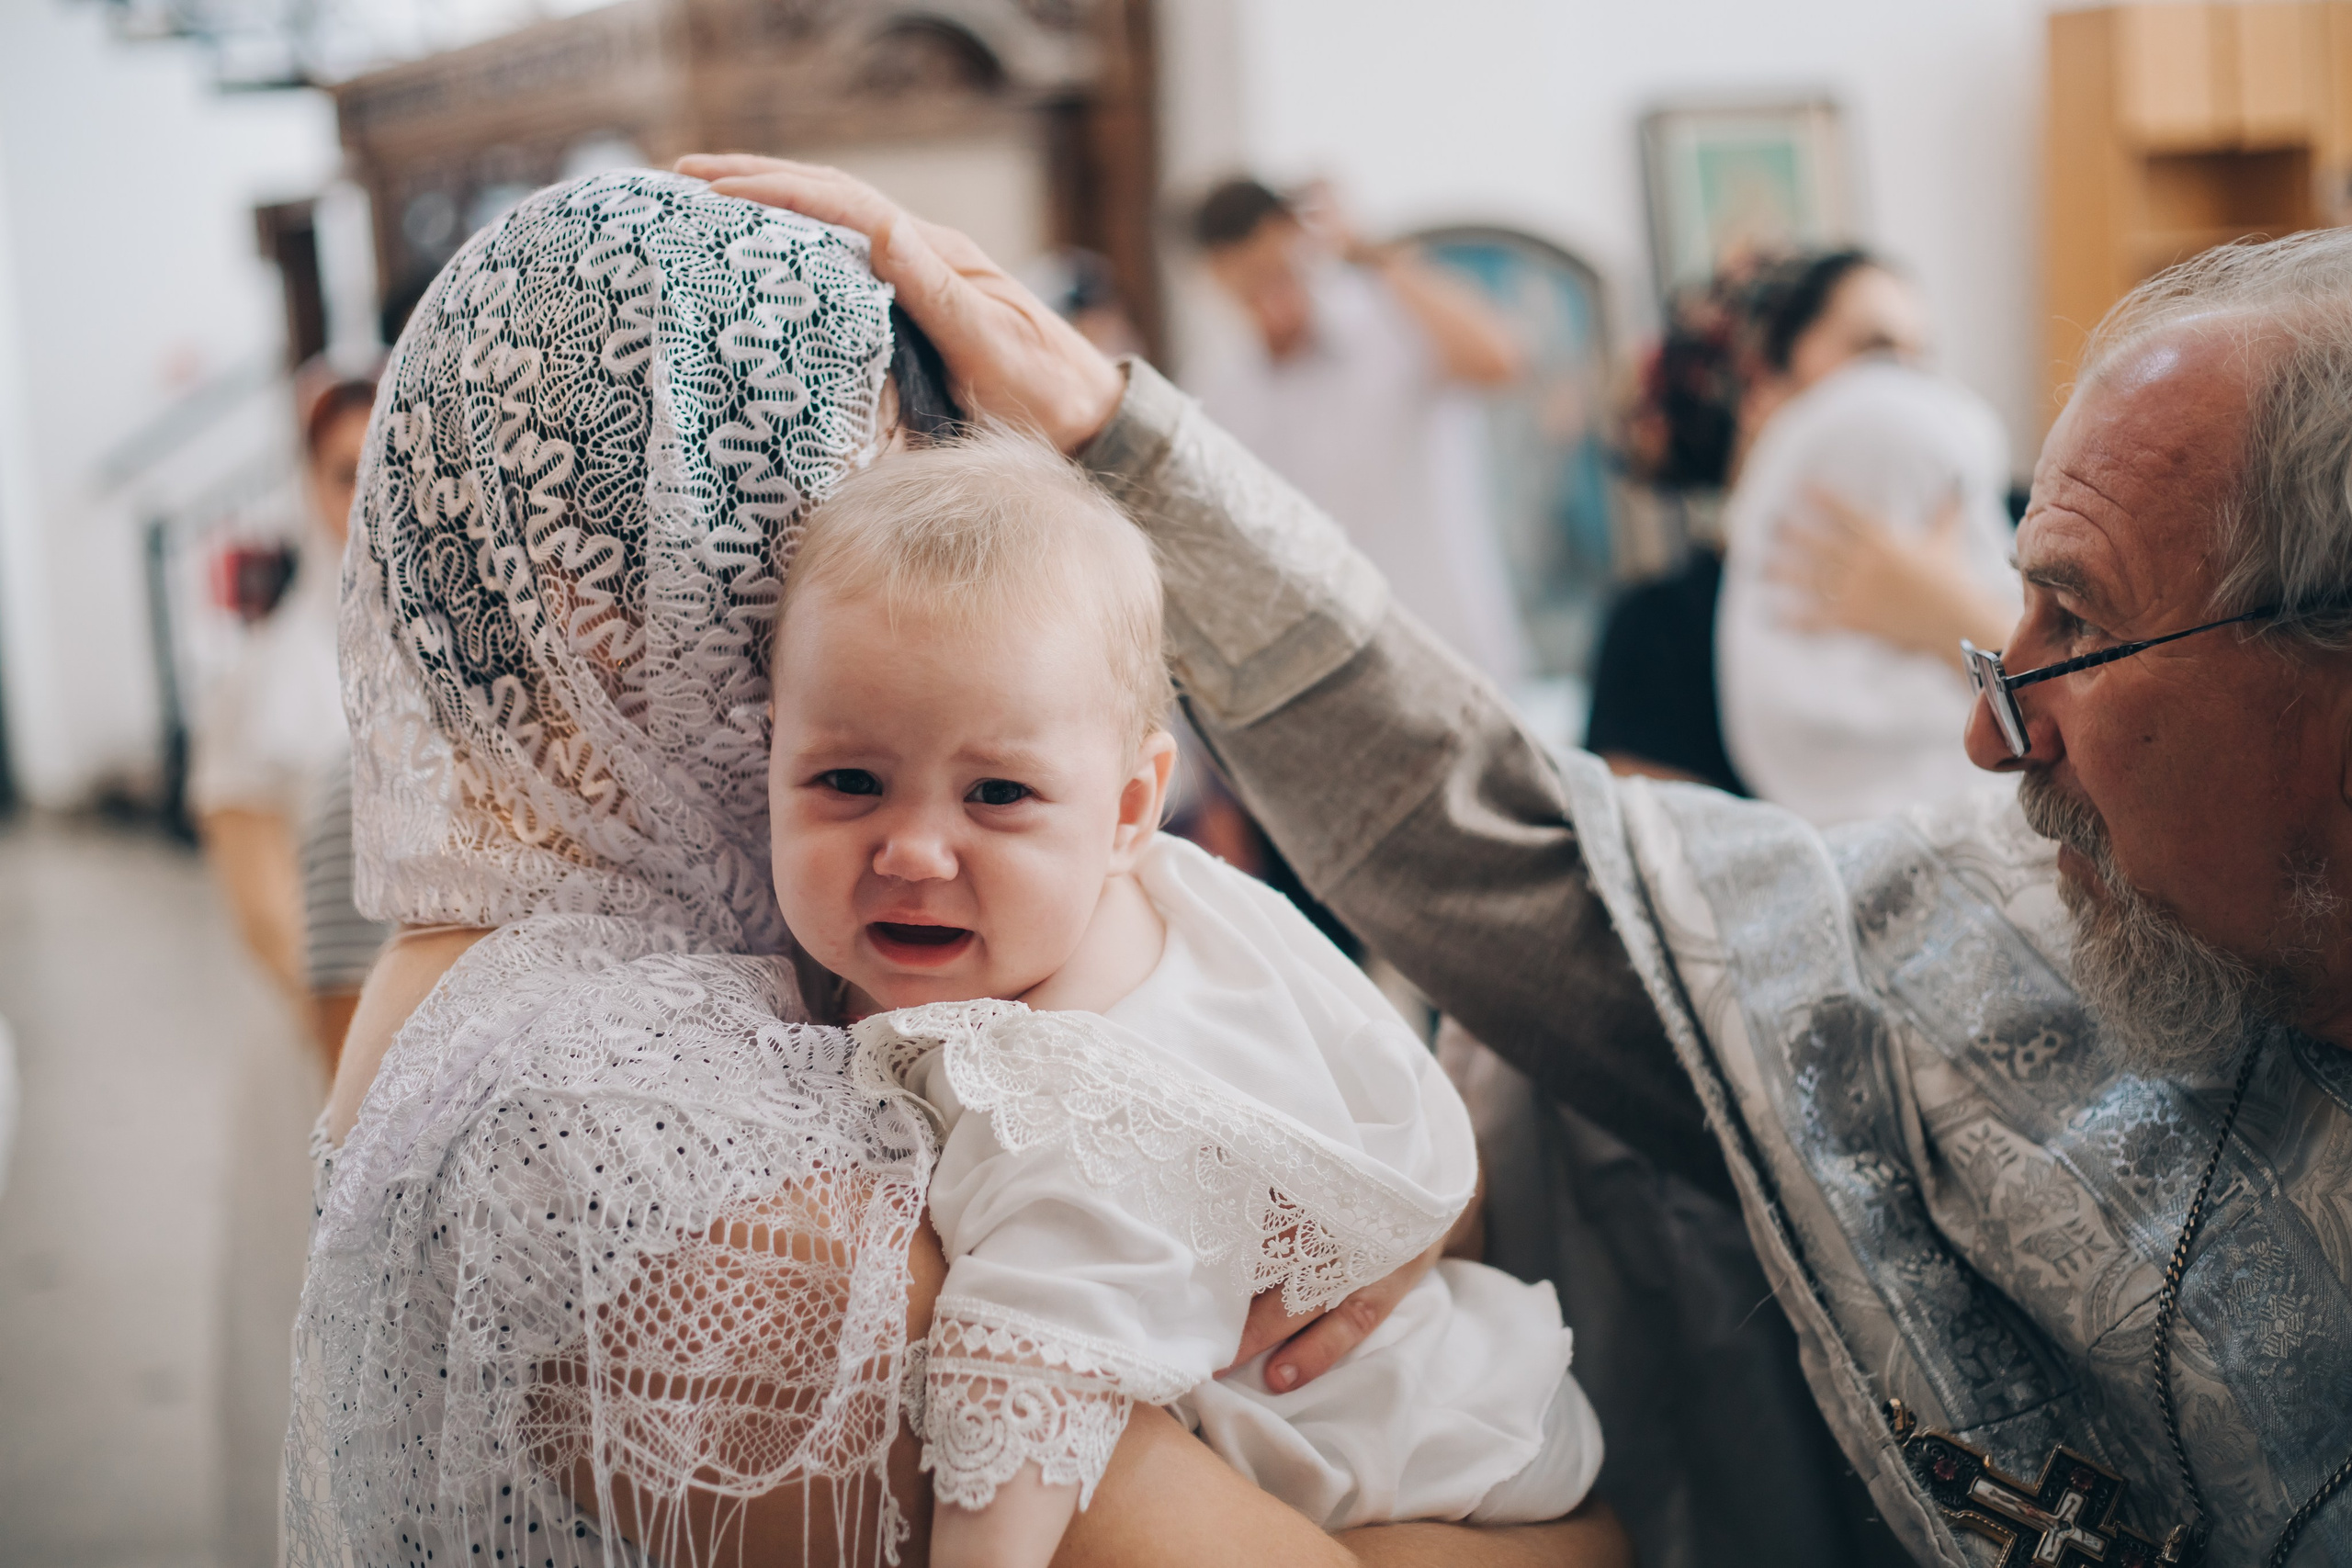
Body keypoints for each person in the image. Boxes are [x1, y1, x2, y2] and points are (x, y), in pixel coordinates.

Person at [685, 153, 2352, 1565]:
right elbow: (1519, 855)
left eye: (2079, 628)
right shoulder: (1965, 921)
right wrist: (1104, 424)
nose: (1988, 730)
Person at [293, 169, 1629, 1568]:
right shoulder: (632, 1134)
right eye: (849, 514)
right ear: (607, 604)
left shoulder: (553, 966)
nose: (933, 593)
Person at [769, 433, 1602, 1567]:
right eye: (847, 781)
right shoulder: (1112, 904)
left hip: (1441, 1473)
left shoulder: (1079, 1089)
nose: (914, 850)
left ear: (1126, 810)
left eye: (998, 794)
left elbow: (1029, 1371)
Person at [1190, 177, 1531, 686]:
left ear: (1301, 248)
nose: (1271, 303)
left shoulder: (1391, 328)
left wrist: (1367, 248)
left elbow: (1501, 360)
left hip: (1459, 659)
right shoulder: (1221, 399)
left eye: (1279, 274)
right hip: (1337, 684)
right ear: (1217, 281)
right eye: (1250, 287)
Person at [1714, 355, 2021, 825]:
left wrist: (1953, 615)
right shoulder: (1681, 628)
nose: (1902, 378)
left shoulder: (2018, 535)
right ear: (1764, 396)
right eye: (1875, 347)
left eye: (1919, 352)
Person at [190, 366, 384, 1067]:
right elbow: (263, 905)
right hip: (325, 1029)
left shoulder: (462, 650)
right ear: (308, 486)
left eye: (390, 465)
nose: (371, 499)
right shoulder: (259, 680)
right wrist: (359, 1039)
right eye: (345, 475)